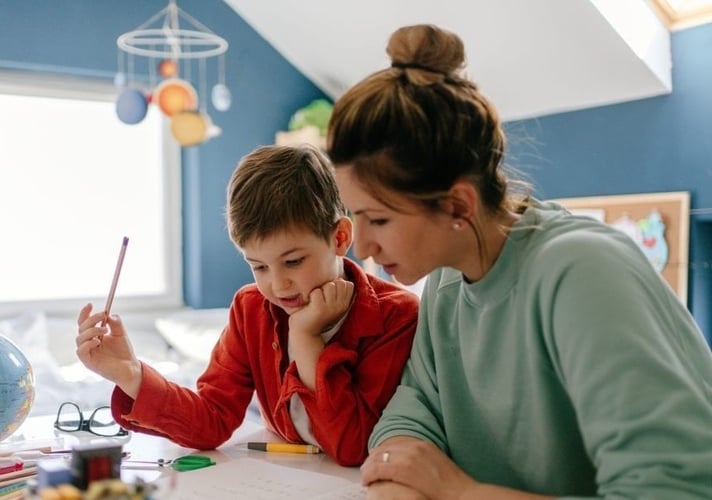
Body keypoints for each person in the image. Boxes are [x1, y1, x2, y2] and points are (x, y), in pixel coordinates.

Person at [326, 23, 712, 499]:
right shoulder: (448, 280)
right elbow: (415, 406)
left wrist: (457, 491)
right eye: (354, 217)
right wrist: (397, 476)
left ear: (458, 206)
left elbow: (672, 491)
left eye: (378, 220)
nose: (361, 247)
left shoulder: (581, 274)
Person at [75, 144, 419, 467]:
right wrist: (130, 374)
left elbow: (353, 447)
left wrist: (305, 339)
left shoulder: (396, 316)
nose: (278, 284)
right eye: (259, 267)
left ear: (340, 237)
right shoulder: (251, 308)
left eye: (294, 261)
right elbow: (212, 420)